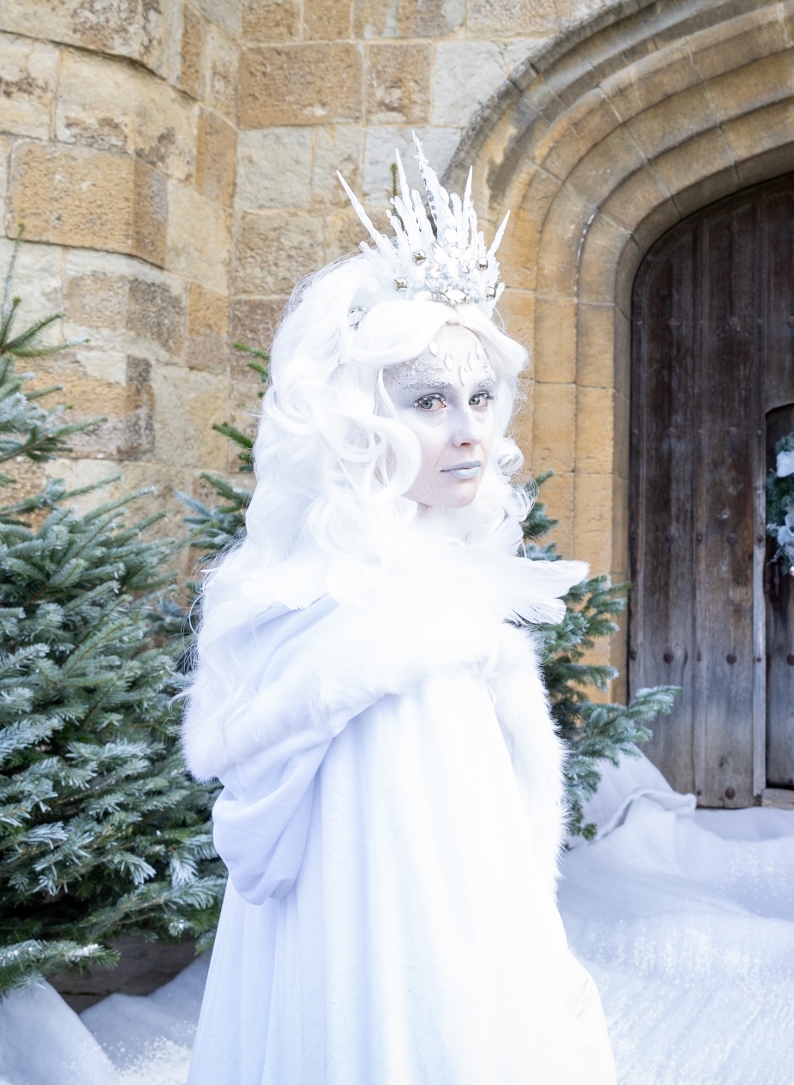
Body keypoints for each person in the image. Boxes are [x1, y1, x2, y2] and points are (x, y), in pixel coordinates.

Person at [181, 142, 616, 1083]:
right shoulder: (368, 637)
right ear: (358, 420)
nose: (468, 431)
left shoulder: (439, 601)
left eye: (479, 398)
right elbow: (404, 919)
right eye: (427, 402)